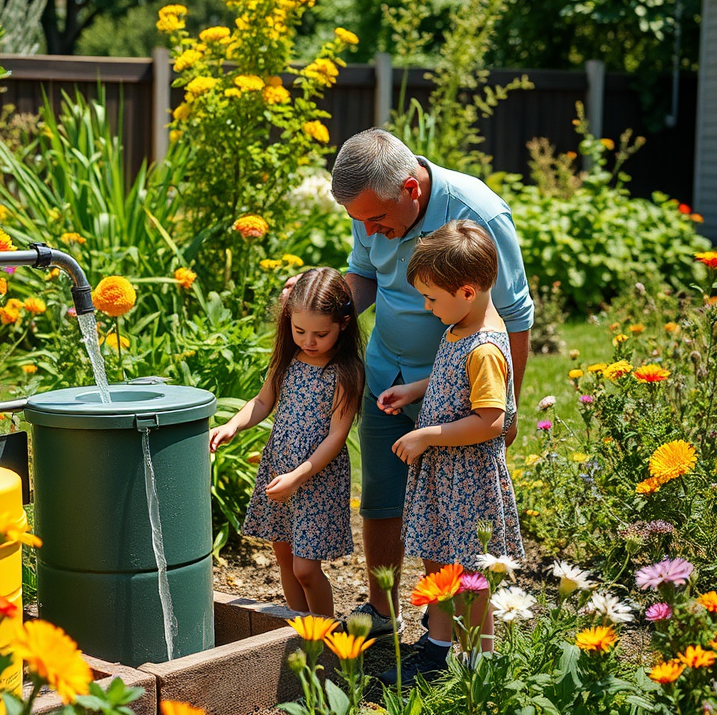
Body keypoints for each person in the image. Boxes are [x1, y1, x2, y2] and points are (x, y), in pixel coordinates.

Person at [286, 128, 533, 637]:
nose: (369, 232)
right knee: (381, 494)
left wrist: (507, 409)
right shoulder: (370, 209)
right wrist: (320, 309)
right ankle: (383, 610)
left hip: (456, 389)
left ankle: (451, 630)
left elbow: (515, 316)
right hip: (387, 374)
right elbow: (364, 276)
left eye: (376, 220)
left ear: (411, 189)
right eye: (359, 223)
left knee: (446, 513)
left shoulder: (478, 214)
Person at [374, 219, 524, 683]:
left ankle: (481, 666)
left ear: (465, 291)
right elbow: (450, 380)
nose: (425, 306)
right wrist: (415, 389)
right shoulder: (462, 323)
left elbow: (492, 421)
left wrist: (427, 435)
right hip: (446, 477)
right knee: (438, 563)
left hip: (468, 480)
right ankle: (438, 650)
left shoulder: (483, 347)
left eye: (431, 298)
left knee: (469, 579)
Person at [209, 267, 365, 617]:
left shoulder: (345, 371)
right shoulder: (288, 357)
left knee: (306, 568)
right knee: (284, 556)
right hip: (279, 469)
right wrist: (233, 425)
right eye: (299, 331)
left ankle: (323, 635)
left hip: (315, 478)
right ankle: (296, 632)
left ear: (343, 323)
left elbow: (336, 436)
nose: (308, 341)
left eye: (320, 334)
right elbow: (263, 401)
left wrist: (299, 476)